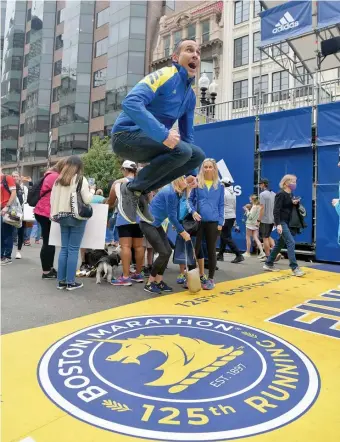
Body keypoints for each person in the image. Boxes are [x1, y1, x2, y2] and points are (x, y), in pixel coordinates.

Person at [111, 38, 205, 224]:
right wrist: (163, 134)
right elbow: (130, 103)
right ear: (176, 57)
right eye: (189, 50)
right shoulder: (165, 74)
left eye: (198, 52)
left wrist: (191, 173)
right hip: (125, 137)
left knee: (197, 155)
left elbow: (187, 136)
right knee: (183, 150)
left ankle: (140, 191)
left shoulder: (190, 96)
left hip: (149, 143)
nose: (195, 54)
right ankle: (130, 189)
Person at [51, 156, 95, 290]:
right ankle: (70, 282)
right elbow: (87, 200)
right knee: (73, 249)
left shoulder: (58, 181)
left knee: (64, 248)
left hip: (61, 216)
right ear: (79, 167)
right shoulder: (80, 179)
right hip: (76, 217)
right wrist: (93, 189)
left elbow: (52, 200)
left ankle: (61, 281)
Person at [140, 177, 190, 294]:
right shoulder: (171, 193)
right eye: (184, 179)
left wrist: (177, 225)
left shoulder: (177, 193)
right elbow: (171, 216)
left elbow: (175, 212)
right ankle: (149, 283)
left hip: (155, 224)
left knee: (167, 251)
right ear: (178, 181)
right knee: (163, 253)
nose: (186, 181)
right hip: (148, 224)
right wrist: (182, 232)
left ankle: (159, 281)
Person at [106, 160, 145, 286]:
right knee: (139, 247)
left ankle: (126, 276)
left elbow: (111, 202)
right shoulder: (142, 182)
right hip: (140, 218)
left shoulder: (118, 183)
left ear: (124, 169)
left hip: (124, 218)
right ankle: (138, 274)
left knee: (126, 247)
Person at [189, 159, 224, 290]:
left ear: (214, 169)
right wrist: (193, 212)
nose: (208, 169)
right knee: (195, 250)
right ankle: (192, 278)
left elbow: (221, 205)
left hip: (214, 222)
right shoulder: (197, 184)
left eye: (210, 167)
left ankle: (210, 279)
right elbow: (190, 201)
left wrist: (220, 222)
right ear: (202, 169)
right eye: (205, 167)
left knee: (211, 251)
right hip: (198, 222)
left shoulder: (219, 186)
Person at [263, 174, 305, 277]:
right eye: (293, 182)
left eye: (295, 182)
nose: (294, 184)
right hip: (282, 222)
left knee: (280, 244)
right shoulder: (280, 194)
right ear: (286, 183)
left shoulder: (290, 194)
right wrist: (278, 224)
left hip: (288, 222)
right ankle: (294, 267)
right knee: (291, 242)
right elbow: (276, 210)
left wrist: (294, 203)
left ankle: (269, 263)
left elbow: (288, 208)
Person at [34, 159, 66, 279]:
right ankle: (46, 271)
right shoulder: (55, 177)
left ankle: (49, 268)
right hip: (47, 211)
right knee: (48, 241)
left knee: (49, 241)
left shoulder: (49, 175)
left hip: (42, 210)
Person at [217, 177, 244, 264]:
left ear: (223, 184)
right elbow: (234, 206)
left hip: (226, 217)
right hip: (231, 216)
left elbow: (220, 206)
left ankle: (238, 254)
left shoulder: (223, 192)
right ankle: (220, 255)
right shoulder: (232, 193)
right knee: (224, 235)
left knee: (226, 237)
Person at [258, 178, 277, 262]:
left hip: (265, 219)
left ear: (263, 184)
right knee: (268, 236)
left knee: (265, 238)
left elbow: (262, 208)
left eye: (260, 184)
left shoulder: (262, 194)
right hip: (272, 219)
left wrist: (258, 220)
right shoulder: (274, 194)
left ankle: (268, 257)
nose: (259, 185)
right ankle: (275, 253)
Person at [0, 168, 17, 265]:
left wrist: (7, 206)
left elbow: (13, 193)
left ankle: (7, 256)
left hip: (6, 209)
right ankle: (1, 255)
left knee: (6, 233)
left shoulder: (7, 178)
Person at [11, 171, 27, 259]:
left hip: (21, 213)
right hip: (11, 212)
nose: (14, 178)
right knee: (10, 232)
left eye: (16, 176)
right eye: (13, 176)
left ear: (19, 177)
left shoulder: (23, 188)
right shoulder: (9, 187)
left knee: (20, 232)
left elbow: (26, 199)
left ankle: (18, 251)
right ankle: (7, 251)